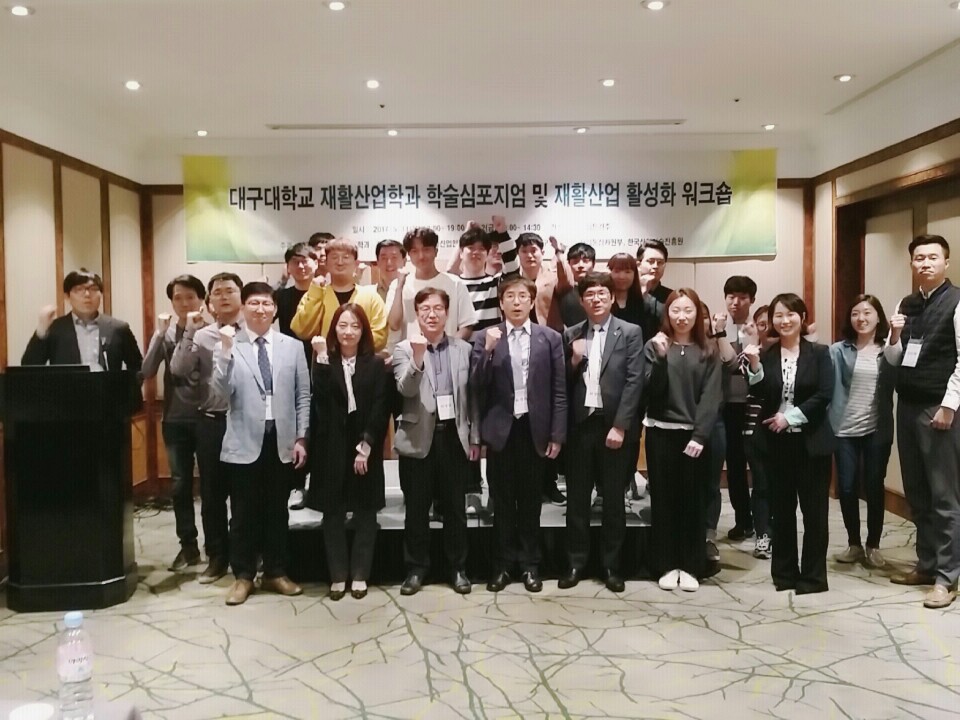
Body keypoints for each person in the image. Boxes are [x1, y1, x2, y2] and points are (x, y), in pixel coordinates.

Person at [212, 282, 310, 606]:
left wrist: (301, 437)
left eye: (266, 303)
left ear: (275, 309)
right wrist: (225, 354)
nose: (260, 309)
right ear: (243, 308)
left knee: (277, 512)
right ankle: (243, 576)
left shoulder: (291, 347)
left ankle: (275, 572)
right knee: (243, 514)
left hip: (281, 442)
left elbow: (303, 396)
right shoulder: (229, 344)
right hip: (243, 442)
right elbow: (219, 395)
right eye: (253, 303)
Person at [470, 276, 567, 593]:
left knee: (530, 504)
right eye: (509, 296)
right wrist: (487, 351)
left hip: (534, 430)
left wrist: (557, 434)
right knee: (501, 503)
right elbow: (475, 385)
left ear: (531, 301)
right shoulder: (485, 336)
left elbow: (558, 390)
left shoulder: (549, 338)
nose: (516, 301)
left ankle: (530, 566)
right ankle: (501, 567)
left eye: (522, 296)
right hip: (501, 432)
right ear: (501, 303)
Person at [885, 234, 960, 609]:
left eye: (932, 257)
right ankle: (927, 564)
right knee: (917, 490)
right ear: (911, 263)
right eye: (919, 258)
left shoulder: (957, 301)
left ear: (946, 262)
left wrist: (949, 406)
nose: (925, 263)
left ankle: (948, 577)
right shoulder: (906, 303)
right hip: (908, 406)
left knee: (944, 495)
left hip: (939, 407)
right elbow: (894, 358)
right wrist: (895, 335)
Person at [558, 272, 644, 593]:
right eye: (590, 294)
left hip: (613, 428)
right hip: (580, 428)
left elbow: (635, 381)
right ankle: (576, 563)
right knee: (577, 501)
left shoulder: (630, 332)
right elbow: (561, 383)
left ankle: (611, 565)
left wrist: (620, 425)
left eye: (601, 293)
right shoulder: (571, 333)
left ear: (611, 298)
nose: (596, 299)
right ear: (582, 301)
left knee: (613, 503)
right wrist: (573, 359)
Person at [746, 293, 834, 595]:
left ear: (802, 317)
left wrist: (790, 417)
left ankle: (813, 578)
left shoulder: (820, 353)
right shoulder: (767, 354)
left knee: (815, 514)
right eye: (778, 315)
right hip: (776, 445)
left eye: (791, 314)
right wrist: (754, 365)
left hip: (812, 443)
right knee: (781, 512)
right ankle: (784, 574)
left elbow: (825, 394)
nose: (784, 321)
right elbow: (759, 394)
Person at [394, 288, 479, 595]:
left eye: (438, 309)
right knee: (416, 510)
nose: (432, 314)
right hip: (418, 440)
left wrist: (474, 437)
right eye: (425, 309)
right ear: (417, 315)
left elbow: (472, 397)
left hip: (454, 439)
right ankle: (416, 569)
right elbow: (405, 390)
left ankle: (457, 568)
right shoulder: (403, 349)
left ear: (447, 313)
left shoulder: (463, 349)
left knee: (455, 509)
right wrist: (418, 357)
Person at [644, 288, 722, 592]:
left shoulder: (709, 350)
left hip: (694, 437)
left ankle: (691, 565)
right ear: (667, 314)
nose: (681, 316)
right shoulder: (655, 345)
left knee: (693, 502)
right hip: (660, 433)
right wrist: (661, 359)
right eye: (675, 310)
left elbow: (711, 396)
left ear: (698, 314)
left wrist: (700, 435)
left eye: (688, 310)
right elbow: (652, 392)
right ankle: (665, 564)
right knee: (663, 502)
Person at [310, 304, 390, 600]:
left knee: (366, 513)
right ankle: (337, 575)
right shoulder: (324, 360)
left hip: (364, 445)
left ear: (363, 331)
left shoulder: (376, 364)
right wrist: (321, 358)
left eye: (355, 326)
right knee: (332, 514)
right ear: (334, 329)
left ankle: (359, 574)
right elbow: (320, 402)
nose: (348, 332)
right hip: (330, 447)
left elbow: (381, 407)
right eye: (342, 325)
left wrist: (366, 445)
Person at [170, 272, 244, 584]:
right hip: (211, 422)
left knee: (245, 494)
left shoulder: (254, 330)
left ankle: (245, 556)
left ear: (240, 296)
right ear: (210, 300)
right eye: (218, 292)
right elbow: (178, 369)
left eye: (230, 291)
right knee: (212, 496)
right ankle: (217, 557)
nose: (224, 296)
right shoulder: (201, 336)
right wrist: (189, 331)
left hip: (245, 422)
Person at [141, 274, 207, 572]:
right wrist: (158, 334)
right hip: (175, 420)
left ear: (201, 299)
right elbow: (146, 371)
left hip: (208, 419)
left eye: (190, 296)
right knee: (180, 486)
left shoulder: (212, 331)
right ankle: (188, 546)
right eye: (178, 298)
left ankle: (217, 547)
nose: (184, 303)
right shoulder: (166, 334)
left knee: (213, 486)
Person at [829, 294, 896, 569]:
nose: (861, 318)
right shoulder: (838, 350)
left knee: (874, 485)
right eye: (856, 313)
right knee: (846, 487)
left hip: (877, 429)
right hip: (844, 428)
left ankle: (873, 545)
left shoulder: (888, 351)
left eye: (867, 313)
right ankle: (854, 543)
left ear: (878, 317)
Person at [23, 268, 142, 373]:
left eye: (93, 289)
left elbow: (137, 367)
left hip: (108, 391)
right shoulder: (55, 328)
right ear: (67, 296)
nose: (87, 294)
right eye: (79, 289)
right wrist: (41, 331)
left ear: (101, 294)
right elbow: (29, 367)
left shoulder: (118, 328)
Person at [274, 242, 319, 511]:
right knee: (296, 428)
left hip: (322, 365)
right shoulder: (281, 296)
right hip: (289, 367)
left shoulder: (324, 292)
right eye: (295, 262)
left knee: (321, 427)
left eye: (306, 261)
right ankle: (297, 485)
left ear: (316, 263)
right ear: (288, 267)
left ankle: (319, 484)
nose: (301, 266)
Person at [291, 238, 388, 352]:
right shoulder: (315, 294)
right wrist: (315, 294)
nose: (340, 262)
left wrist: (350, 347)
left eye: (346, 257)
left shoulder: (371, 297)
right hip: (325, 359)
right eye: (334, 257)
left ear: (356, 263)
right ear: (326, 263)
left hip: (363, 360)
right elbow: (302, 331)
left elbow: (380, 336)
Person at [720, 276, 760, 543]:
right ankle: (743, 520)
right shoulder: (717, 327)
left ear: (752, 300)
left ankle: (763, 520)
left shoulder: (758, 327)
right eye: (731, 296)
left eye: (743, 297)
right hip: (726, 405)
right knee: (734, 466)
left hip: (755, 405)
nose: (736, 302)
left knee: (759, 465)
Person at [389, 227, 478, 344]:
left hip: (447, 352)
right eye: (415, 251)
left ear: (436, 252)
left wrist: (450, 348)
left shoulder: (455, 283)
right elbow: (394, 325)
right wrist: (399, 288)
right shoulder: (398, 285)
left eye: (426, 249)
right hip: (411, 353)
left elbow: (466, 325)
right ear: (409, 255)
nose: (421, 256)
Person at [700, 302, 737, 566]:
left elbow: (732, 362)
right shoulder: (676, 344)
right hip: (684, 423)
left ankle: (708, 536)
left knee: (711, 484)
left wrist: (720, 332)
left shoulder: (716, 345)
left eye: (703, 316)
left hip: (715, 422)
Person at [635, 239, 673, 344]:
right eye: (650, 261)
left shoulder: (672, 297)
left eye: (660, 262)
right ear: (638, 265)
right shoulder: (627, 294)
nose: (655, 266)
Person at [557, 242, 596, 329]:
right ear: (568, 264)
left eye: (585, 261)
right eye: (575, 262)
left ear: (593, 264)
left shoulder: (601, 287)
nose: (581, 265)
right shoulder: (562, 288)